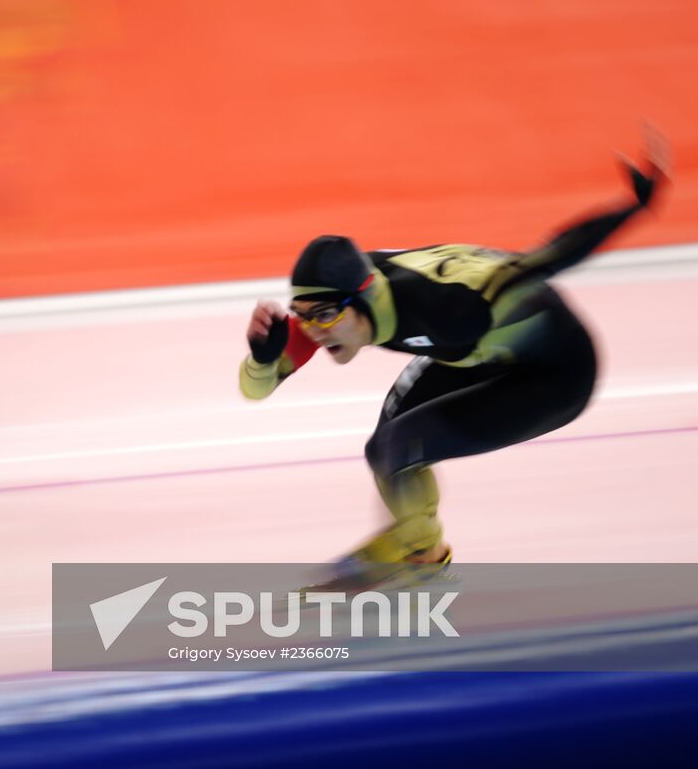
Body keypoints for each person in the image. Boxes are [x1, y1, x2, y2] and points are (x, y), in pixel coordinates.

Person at [240, 129, 670, 583]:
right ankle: (425, 555)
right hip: (473, 354)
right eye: (302, 316)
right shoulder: (328, 308)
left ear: (364, 296)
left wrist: (634, 207)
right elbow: (254, 390)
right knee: (383, 452)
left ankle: (414, 558)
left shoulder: (450, 307)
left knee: (399, 446)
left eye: (323, 316)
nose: (313, 331)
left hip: (555, 373)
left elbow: (548, 258)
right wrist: (264, 359)